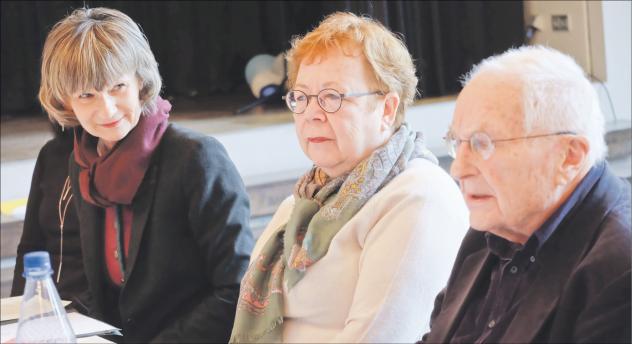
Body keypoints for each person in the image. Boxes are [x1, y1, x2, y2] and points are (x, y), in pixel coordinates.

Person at [230, 12, 469, 343]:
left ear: (386, 109)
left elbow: (381, 337)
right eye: (301, 97)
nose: (312, 113)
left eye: (332, 97)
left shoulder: (419, 197)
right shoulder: (300, 203)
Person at [37, 7, 254, 343]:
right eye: (87, 95)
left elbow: (237, 289)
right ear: (64, 101)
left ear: (140, 81)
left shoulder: (195, 157)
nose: (107, 109)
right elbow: (108, 294)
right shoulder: (83, 162)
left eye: (118, 87)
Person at [422, 46, 631, 343]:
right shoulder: (488, 231)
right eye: (458, 142)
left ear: (568, 157)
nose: (458, 169)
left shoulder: (619, 270)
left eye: (483, 144)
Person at [11, 123, 88, 301]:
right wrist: (19, 308)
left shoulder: (117, 157)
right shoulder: (50, 153)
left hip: (89, 309)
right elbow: (29, 246)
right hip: (44, 301)